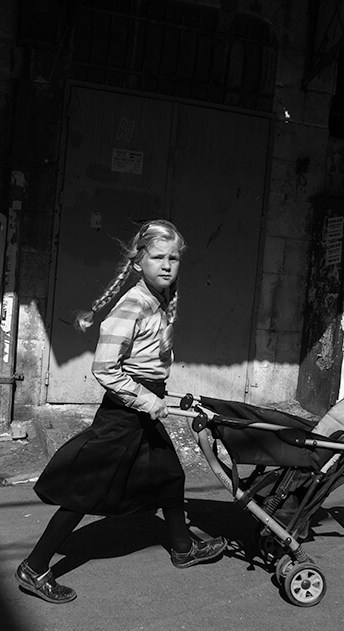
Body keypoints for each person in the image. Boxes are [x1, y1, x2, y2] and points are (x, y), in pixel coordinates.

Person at [15, 219, 226, 604]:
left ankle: (182, 547)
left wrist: (163, 393)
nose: (166, 265)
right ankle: (34, 567)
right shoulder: (130, 307)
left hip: (142, 408)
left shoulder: (156, 301)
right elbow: (105, 369)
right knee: (85, 490)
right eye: (158, 257)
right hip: (125, 415)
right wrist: (147, 399)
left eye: (173, 257)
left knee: (170, 476)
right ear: (137, 263)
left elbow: (147, 363)